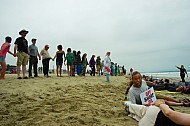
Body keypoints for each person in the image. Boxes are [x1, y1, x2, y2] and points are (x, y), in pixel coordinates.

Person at [124, 100, 190, 126]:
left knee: (143, 110)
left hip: (157, 115)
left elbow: (168, 113)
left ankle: (129, 106)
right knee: (141, 116)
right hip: (152, 122)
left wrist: (160, 104)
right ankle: (131, 113)